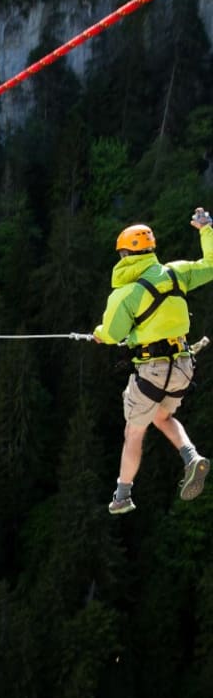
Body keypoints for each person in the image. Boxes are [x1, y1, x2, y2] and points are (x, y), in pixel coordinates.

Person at [93, 208, 213, 514]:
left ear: (124, 255)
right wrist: (206, 229)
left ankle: (122, 495)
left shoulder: (126, 294)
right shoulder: (177, 273)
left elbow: (112, 334)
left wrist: (98, 334)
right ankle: (191, 457)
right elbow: (211, 265)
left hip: (152, 370)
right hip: (183, 366)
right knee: (162, 417)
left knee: (134, 433)